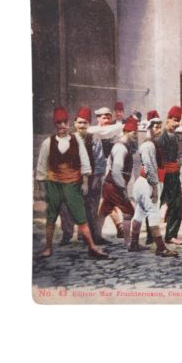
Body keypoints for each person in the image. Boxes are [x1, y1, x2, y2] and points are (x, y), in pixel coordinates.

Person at [35, 107, 109, 259]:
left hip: (80, 181)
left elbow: (91, 162)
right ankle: (55, 242)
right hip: (58, 183)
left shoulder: (83, 140)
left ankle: (91, 243)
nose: (62, 126)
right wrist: (43, 187)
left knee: (84, 213)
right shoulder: (52, 142)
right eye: (59, 123)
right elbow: (43, 165)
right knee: (57, 213)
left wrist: (89, 181)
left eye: (64, 122)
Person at [59, 106, 109, 246]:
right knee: (67, 208)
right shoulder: (68, 139)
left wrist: (97, 178)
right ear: (75, 123)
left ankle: (89, 236)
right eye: (79, 122)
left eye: (85, 123)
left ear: (89, 124)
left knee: (91, 208)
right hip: (72, 179)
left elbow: (100, 160)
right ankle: (67, 236)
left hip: (92, 178)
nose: (82, 125)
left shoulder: (94, 140)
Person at [130, 110, 178, 257]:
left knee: (139, 212)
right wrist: (154, 188)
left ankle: (133, 243)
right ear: (149, 128)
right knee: (153, 213)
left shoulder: (152, 144)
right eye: (155, 127)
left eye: (159, 127)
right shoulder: (149, 146)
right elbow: (150, 167)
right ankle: (160, 247)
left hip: (143, 183)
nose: (158, 130)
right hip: (148, 183)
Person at [96, 117, 138, 246]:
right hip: (114, 185)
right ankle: (128, 242)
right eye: (134, 133)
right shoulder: (121, 148)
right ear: (126, 132)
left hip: (110, 184)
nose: (136, 136)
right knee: (129, 211)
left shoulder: (123, 146)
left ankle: (96, 236)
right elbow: (116, 172)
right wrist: (123, 189)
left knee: (104, 211)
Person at [157, 106, 182, 245]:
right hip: (162, 175)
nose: (176, 123)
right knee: (155, 204)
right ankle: (150, 235)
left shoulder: (176, 137)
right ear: (167, 120)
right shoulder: (161, 138)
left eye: (178, 121)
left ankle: (171, 235)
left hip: (173, 175)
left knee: (177, 204)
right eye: (174, 120)